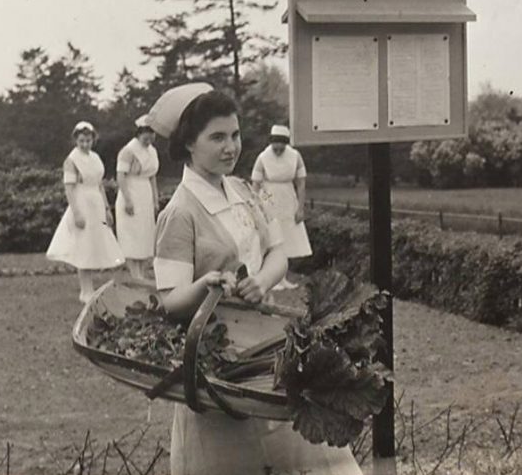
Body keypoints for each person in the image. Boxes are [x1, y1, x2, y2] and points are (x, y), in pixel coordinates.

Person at [148, 83, 363, 475]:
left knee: (315, 460)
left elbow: (278, 253)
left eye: (235, 135)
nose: (231, 147)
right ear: (188, 144)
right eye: (217, 137)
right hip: (220, 369)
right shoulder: (179, 214)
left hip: (268, 351)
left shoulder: (247, 190)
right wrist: (205, 285)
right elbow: (169, 300)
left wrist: (262, 280)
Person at [47, 121, 124, 303]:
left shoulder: (95, 158)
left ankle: (91, 288)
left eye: (88, 141)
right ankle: (85, 290)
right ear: (76, 140)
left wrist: (107, 209)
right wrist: (77, 212)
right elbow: (69, 188)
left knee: (94, 245)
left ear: (93, 140)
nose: (84, 144)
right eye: (81, 141)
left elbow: (99, 185)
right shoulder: (72, 160)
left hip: (96, 203)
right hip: (81, 203)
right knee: (83, 246)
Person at [251, 125, 312, 291]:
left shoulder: (295, 156)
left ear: (286, 144)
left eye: (281, 145)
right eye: (275, 145)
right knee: (273, 236)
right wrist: (258, 205)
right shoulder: (263, 157)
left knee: (286, 238)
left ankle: (282, 278)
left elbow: (301, 183)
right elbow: (256, 185)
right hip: (268, 196)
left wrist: (300, 208)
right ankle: (272, 279)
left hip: (288, 197)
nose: (278, 149)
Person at [115, 115, 159, 282]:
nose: (149, 139)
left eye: (152, 134)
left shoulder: (152, 151)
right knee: (131, 234)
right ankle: (135, 275)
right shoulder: (128, 151)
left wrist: (155, 199)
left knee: (144, 234)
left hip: (145, 194)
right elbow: (120, 176)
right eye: (145, 135)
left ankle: (141, 272)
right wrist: (127, 200)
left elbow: (152, 176)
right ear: (139, 133)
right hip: (131, 192)